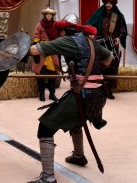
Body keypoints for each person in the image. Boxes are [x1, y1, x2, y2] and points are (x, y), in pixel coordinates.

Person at [27, 14, 113, 183]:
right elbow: (109, 58)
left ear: (64, 30)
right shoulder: (91, 42)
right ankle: (79, 156)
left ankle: (48, 178)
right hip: (99, 95)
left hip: (83, 96)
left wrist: (23, 46)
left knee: (45, 127)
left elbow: (35, 50)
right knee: (75, 119)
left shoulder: (67, 41)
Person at [86, 0, 128, 93]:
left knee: (112, 64)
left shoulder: (118, 16)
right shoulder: (99, 14)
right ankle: (99, 85)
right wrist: (91, 34)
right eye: (107, 3)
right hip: (100, 43)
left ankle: (110, 87)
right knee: (99, 63)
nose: (108, 5)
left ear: (113, 5)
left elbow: (123, 30)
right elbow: (89, 26)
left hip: (113, 43)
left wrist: (119, 38)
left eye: (110, 3)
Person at [32, 7, 63, 102]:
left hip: (53, 50)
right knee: (41, 73)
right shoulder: (40, 25)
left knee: (52, 74)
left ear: (52, 16)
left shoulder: (56, 25)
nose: (49, 16)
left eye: (51, 15)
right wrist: (37, 46)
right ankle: (41, 93)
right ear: (45, 15)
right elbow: (36, 37)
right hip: (42, 51)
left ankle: (52, 94)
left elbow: (60, 37)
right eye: (47, 14)